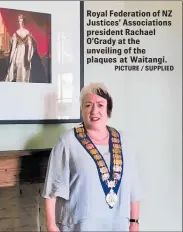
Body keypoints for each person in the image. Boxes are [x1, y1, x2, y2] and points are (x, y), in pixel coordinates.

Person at [41, 82, 142, 231]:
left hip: (118, 225)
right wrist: (51, 225)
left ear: (108, 109)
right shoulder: (68, 141)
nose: (94, 110)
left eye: (100, 105)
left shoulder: (123, 141)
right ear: (82, 109)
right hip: (81, 226)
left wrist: (134, 221)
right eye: (88, 105)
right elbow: (52, 188)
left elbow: (133, 187)